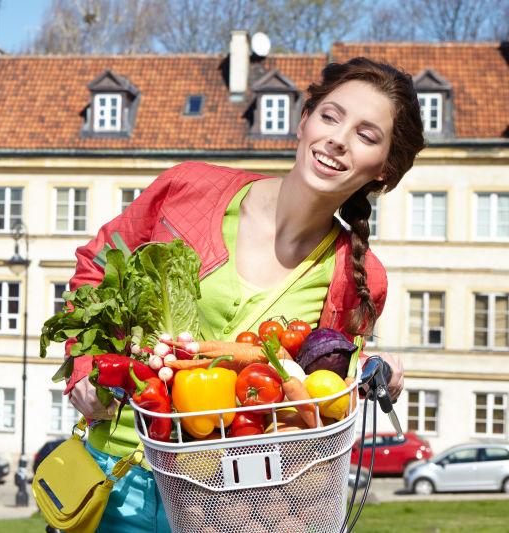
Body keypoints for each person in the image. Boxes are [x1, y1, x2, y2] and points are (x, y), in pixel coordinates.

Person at [61, 57, 425, 533]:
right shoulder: (189, 189)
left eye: (366, 135)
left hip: (226, 508)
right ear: (304, 120)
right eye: (330, 116)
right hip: (114, 481)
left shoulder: (358, 278)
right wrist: (86, 366)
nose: (338, 138)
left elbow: (320, 383)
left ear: (384, 171)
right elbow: (96, 269)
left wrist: (376, 371)